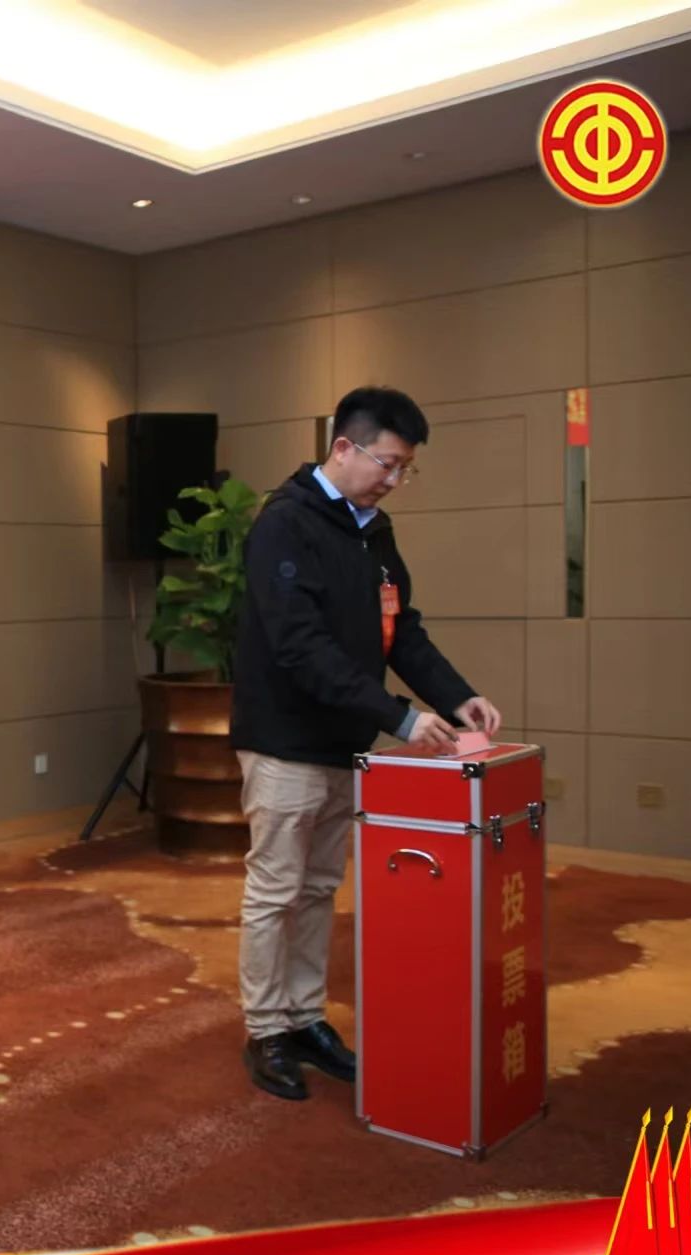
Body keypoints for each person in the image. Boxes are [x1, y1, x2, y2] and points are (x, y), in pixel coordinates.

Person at [229, 387, 501, 1102]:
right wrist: (399, 718)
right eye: (388, 463)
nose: (395, 480)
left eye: (406, 468)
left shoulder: (373, 530)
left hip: (342, 740)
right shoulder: (284, 525)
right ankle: (266, 1031)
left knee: (319, 888)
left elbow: (398, 629)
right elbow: (300, 647)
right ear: (343, 447)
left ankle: (304, 1018)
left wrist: (456, 697)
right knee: (275, 891)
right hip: (284, 741)